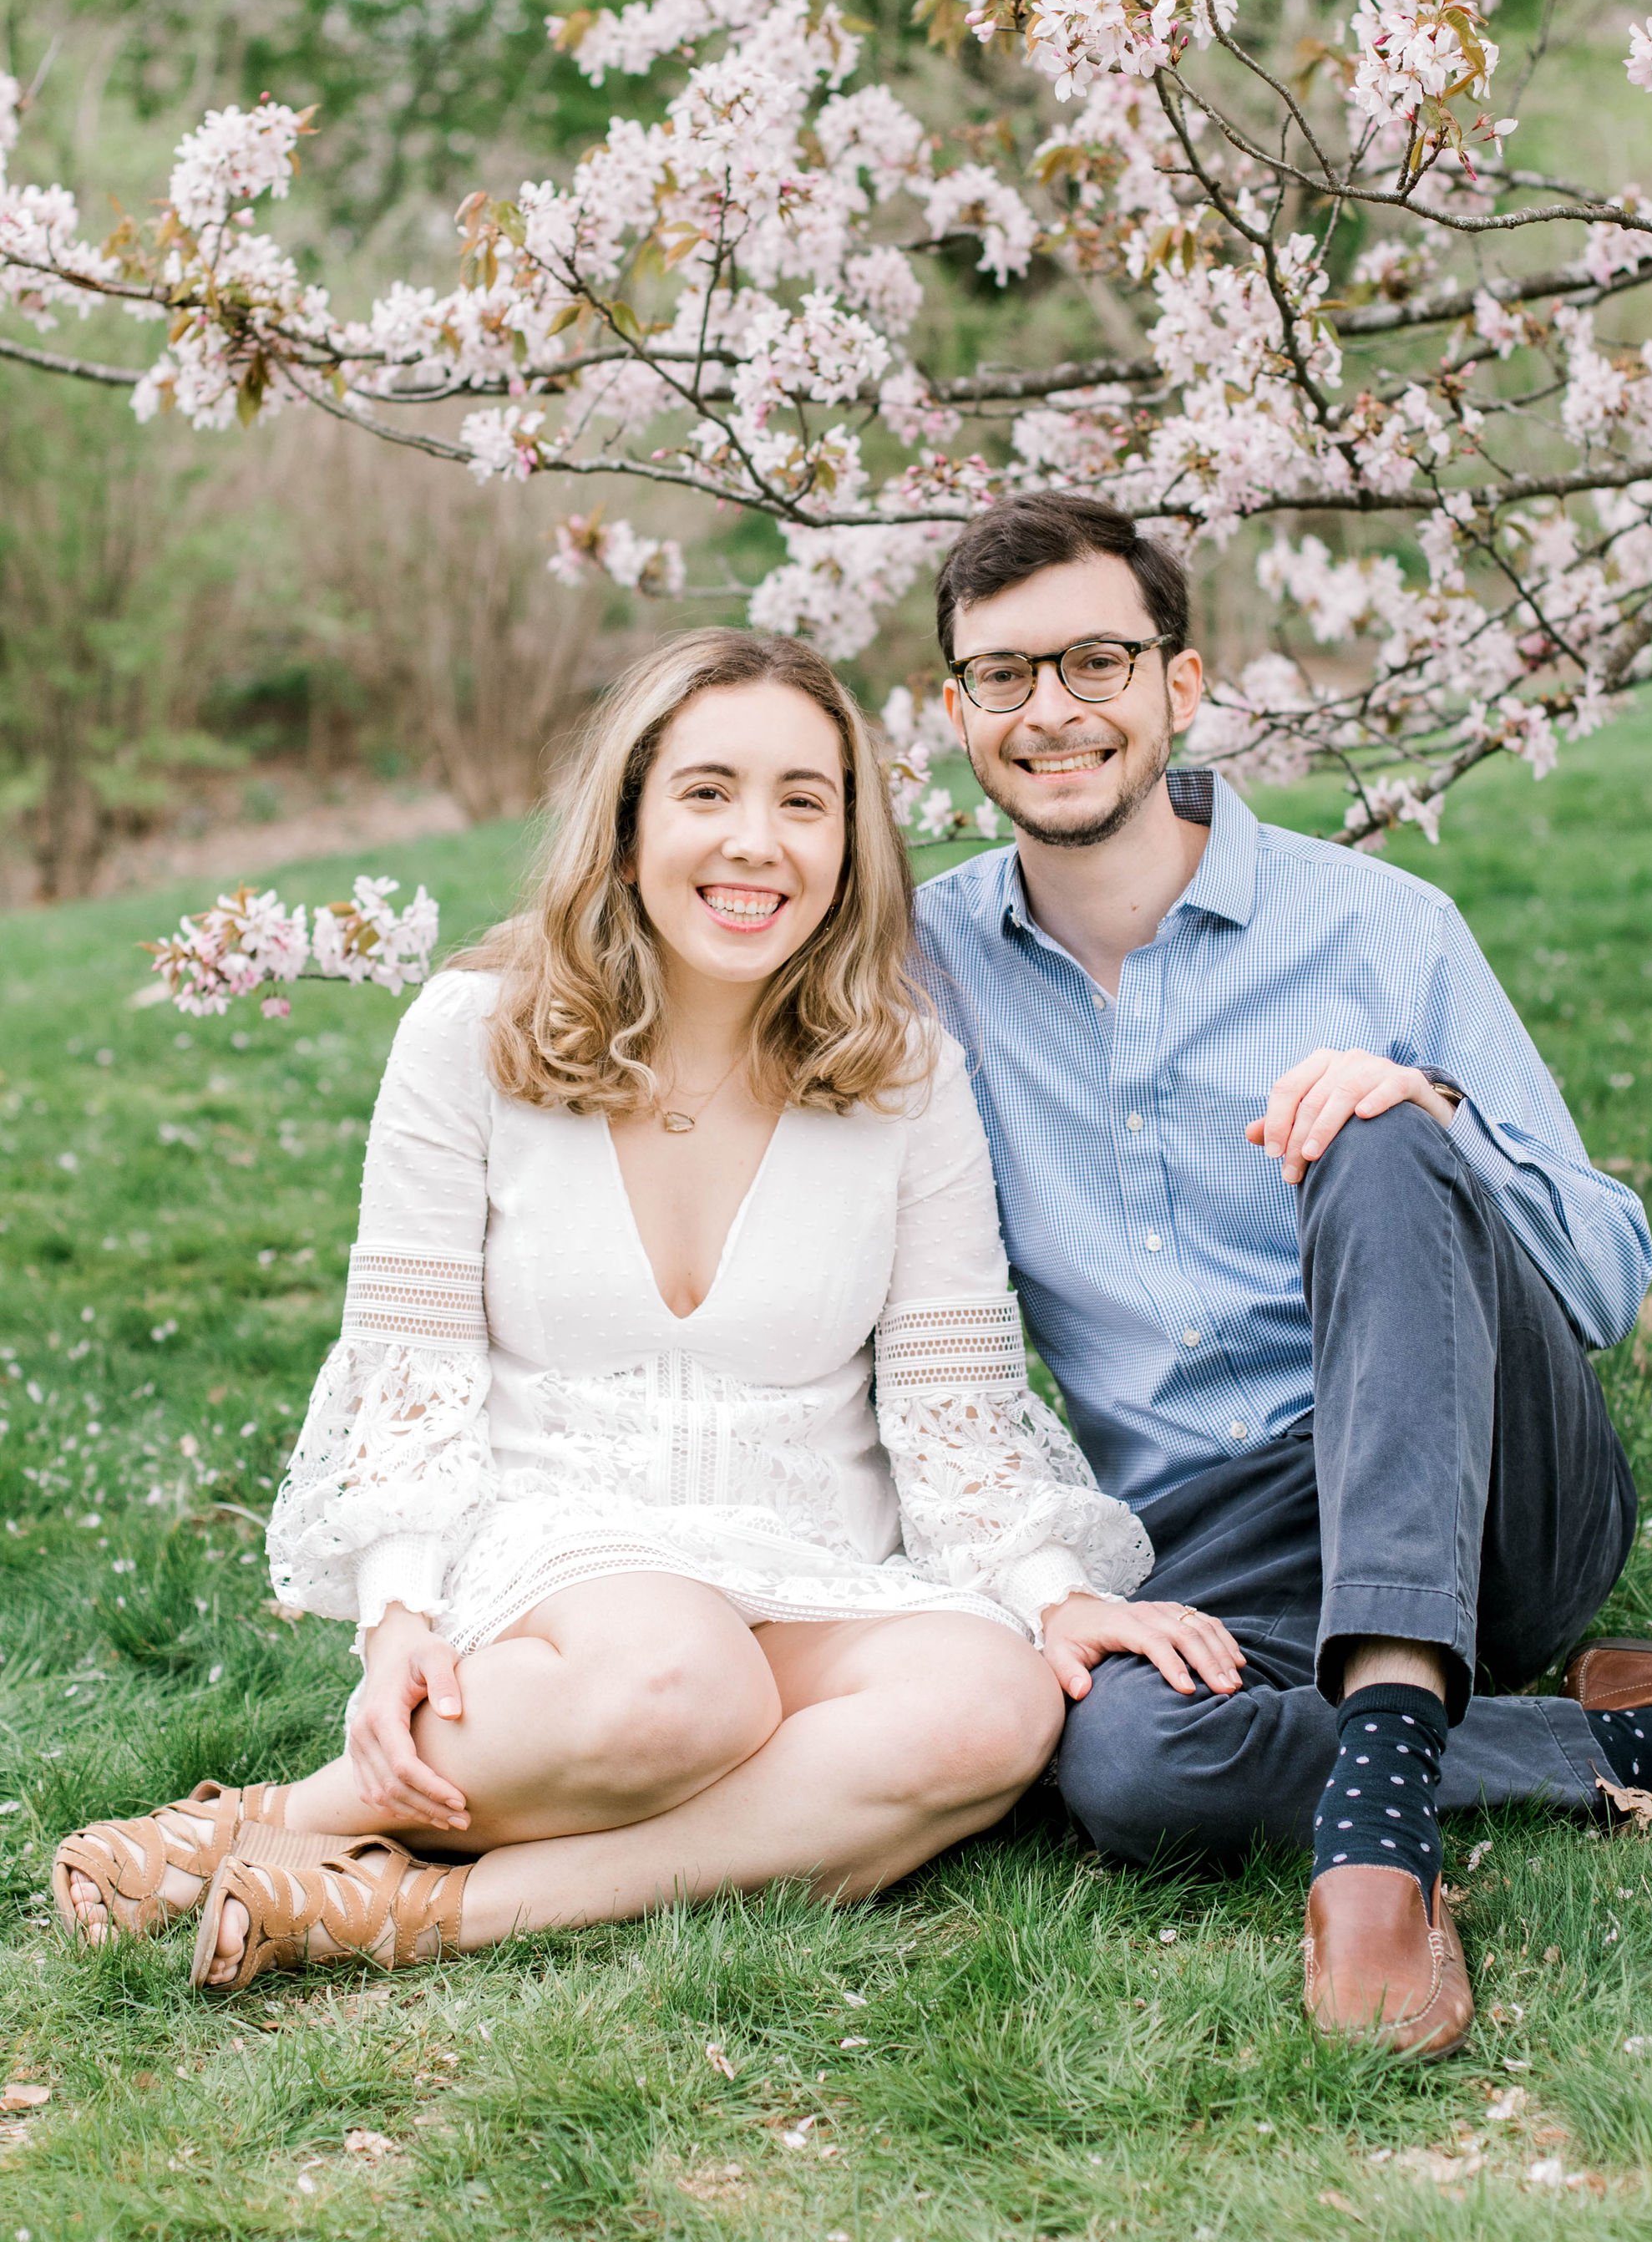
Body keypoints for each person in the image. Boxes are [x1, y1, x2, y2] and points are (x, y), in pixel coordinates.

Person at [914, 494, 1652, 2059]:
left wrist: (1443, 1121)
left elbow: (1603, 1276)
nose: (1052, 709)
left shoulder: (1380, 929)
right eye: (1005, 676)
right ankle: (1621, 1731)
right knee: (1127, 1771)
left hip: (1490, 1492)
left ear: (1180, 689)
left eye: (1096, 662)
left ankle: (1382, 1831)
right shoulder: (926, 968)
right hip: (1217, 1543)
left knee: (1382, 1131)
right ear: (955, 713)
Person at [53, 628, 1237, 1991]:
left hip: (805, 1554)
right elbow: (411, 1362)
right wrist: (397, 1620)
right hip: (563, 1555)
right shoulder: (470, 1034)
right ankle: (286, 1822)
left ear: (850, 847)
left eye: (805, 802)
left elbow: (945, 1393)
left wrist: (1047, 1592)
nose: (758, 843)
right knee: (685, 1687)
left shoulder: (907, 1072)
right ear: (625, 832)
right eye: (708, 792)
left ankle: (432, 1910)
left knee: (995, 1704)